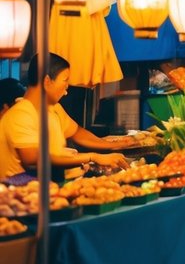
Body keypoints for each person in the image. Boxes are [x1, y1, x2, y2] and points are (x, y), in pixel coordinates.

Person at [0, 54, 130, 180]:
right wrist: (92, 157)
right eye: (65, 80)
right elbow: (34, 159)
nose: (67, 88)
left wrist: (115, 145)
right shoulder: (21, 114)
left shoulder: (53, 109)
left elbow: (77, 132)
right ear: (47, 81)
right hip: (21, 194)